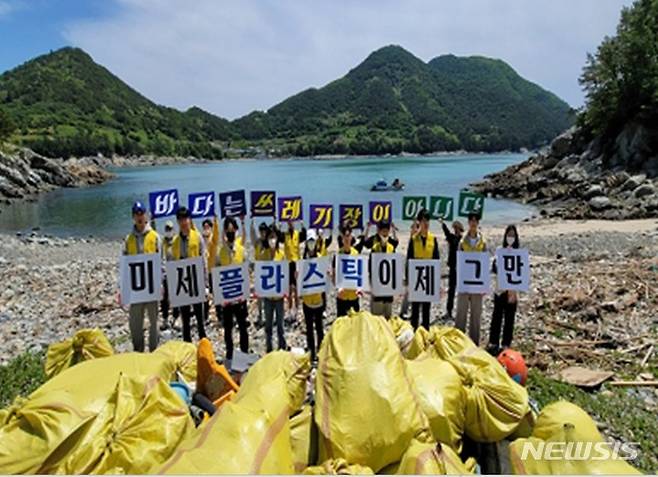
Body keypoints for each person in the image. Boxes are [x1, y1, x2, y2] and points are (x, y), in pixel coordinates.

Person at [123, 201, 160, 352]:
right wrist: (123, 288)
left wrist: (161, 284)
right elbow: (125, 265)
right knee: (135, 323)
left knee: (154, 321)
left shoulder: (155, 237)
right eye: (136, 214)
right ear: (133, 217)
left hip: (151, 287)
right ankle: (138, 351)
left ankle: (154, 351)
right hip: (136, 289)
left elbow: (160, 263)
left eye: (141, 213)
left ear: (146, 215)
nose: (139, 217)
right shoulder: (128, 239)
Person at [213, 216, 249, 361]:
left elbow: (247, 272)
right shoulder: (220, 252)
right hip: (226, 298)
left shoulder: (242, 250)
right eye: (227, 229)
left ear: (236, 230)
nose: (230, 232)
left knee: (242, 326)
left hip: (240, 297)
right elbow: (216, 272)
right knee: (228, 328)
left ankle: (244, 354)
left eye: (232, 229)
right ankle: (229, 354)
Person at [172, 206, 207, 343]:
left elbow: (203, 260)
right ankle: (187, 349)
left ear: (190, 219)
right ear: (178, 221)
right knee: (185, 319)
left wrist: (205, 284)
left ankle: (204, 348)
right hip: (183, 285)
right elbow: (173, 264)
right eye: (181, 219)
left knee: (200, 318)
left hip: (196, 282)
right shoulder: (175, 241)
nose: (184, 222)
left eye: (186, 218)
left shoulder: (197, 237)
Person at [487, 225, 520, 355]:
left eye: (512, 235)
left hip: (512, 291)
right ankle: (493, 342)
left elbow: (521, 273)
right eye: (508, 235)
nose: (510, 238)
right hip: (500, 289)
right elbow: (494, 268)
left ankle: (506, 343)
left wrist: (514, 290)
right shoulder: (499, 250)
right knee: (497, 316)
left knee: (509, 318)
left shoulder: (519, 253)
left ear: (516, 237)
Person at [455, 212, 487, 344]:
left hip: (477, 283)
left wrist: (485, 284)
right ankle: (458, 342)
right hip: (464, 282)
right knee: (461, 314)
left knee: (476, 315)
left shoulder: (483, 242)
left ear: (478, 223)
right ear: (468, 222)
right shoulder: (462, 242)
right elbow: (459, 261)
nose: (473, 223)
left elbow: (485, 264)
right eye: (471, 220)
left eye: (475, 220)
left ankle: (474, 343)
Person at [407, 209, 440, 330]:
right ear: (419, 222)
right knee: (415, 310)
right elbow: (409, 260)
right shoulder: (413, 239)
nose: (426, 223)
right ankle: (413, 334)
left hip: (428, 279)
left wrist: (437, 283)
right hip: (416, 279)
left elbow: (436, 260)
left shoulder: (433, 239)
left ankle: (425, 334)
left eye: (428, 221)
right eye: (423, 221)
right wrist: (408, 281)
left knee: (426, 310)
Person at [363, 219, 399, 319]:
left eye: (386, 230)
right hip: (376, 278)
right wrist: (368, 228)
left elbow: (396, 243)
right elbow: (365, 242)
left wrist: (394, 230)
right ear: (378, 230)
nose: (384, 232)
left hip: (388, 280)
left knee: (387, 303)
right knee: (377, 303)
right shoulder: (374, 241)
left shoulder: (391, 243)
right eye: (382, 230)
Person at [301, 229, 325, 362]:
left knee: (319, 328)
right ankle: (312, 353)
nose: (311, 244)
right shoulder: (303, 260)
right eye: (309, 242)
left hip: (318, 300)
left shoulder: (321, 257)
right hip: (307, 301)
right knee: (309, 329)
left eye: (313, 242)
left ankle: (321, 353)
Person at [263, 226, 287, 352]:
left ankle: (282, 349)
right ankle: (269, 350)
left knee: (280, 325)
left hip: (279, 297)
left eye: (274, 237)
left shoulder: (281, 255)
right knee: (268, 326)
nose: (272, 240)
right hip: (267, 297)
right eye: (270, 237)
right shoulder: (263, 255)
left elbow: (284, 274)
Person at [334, 222, 365, 317]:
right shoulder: (338, 255)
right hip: (342, 297)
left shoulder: (356, 253)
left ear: (351, 237)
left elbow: (360, 272)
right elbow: (334, 274)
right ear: (342, 238)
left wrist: (360, 288)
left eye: (348, 235)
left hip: (354, 296)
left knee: (355, 324)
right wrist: (338, 288)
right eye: (345, 236)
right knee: (341, 325)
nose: (347, 238)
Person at [441, 218, 465, 320]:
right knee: (451, 291)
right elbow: (446, 232)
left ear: (460, 229)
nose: (455, 229)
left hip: (461, 269)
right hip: (452, 268)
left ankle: (459, 311)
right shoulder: (451, 238)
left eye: (457, 227)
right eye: (454, 227)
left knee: (460, 291)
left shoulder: (464, 240)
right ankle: (449, 311)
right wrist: (442, 223)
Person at [283, 220, 306, 322]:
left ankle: (296, 311)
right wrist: (277, 223)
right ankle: (289, 311)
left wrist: (302, 224)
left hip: (296, 264)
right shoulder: (285, 235)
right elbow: (276, 235)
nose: (290, 223)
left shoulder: (297, 234)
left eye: (291, 222)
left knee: (296, 290)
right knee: (289, 290)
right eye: (288, 222)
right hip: (288, 264)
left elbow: (304, 235)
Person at [160, 220, 180, 330]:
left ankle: (176, 317)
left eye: (170, 229)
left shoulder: (177, 241)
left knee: (176, 296)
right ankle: (165, 318)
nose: (169, 231)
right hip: (165, 273)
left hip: (176, 272)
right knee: (165, 297)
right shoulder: (162, 242)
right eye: (167, 229)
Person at [250, 220, 270, 326]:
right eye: (261, 231)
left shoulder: (269, 243)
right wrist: (252, 222)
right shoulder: (257, 243)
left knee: (267, 297)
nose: (262, 233)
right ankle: (260, 316)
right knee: (259, 298)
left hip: (267, 273)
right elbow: (252, 235)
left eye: (264, 231)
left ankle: (267, 316)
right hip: (258, 272)